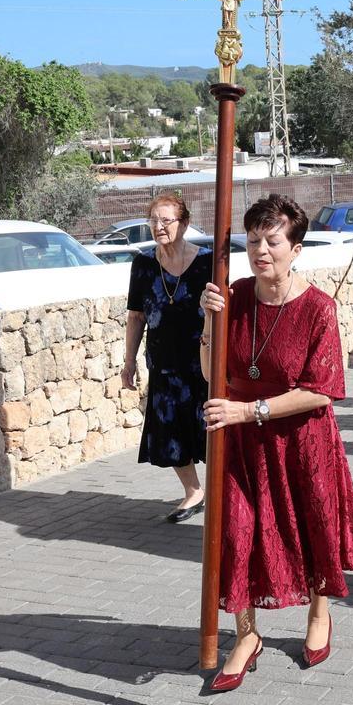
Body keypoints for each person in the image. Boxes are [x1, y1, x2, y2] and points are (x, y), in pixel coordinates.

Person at [198, 194, 353, 691]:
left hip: (302, 441)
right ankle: (246, 635)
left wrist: (249, 410)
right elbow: (212, 373)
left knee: (312, 528)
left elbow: (321, 390)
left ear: (296, 248)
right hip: (243, 447)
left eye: (272, 241)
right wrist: (208, 324)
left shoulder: (318, 308)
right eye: (253, 241)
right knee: (238, 533)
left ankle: (319, 614)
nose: (261, 251)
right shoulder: (234, 295)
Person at [122, 192, 212, 523]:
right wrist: (129, 361)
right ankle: (193, 492)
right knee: (170, 428)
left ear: (184, 223)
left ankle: (222, 492)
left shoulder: (207, 261)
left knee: (210, 427)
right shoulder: (143, 264)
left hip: (203, 362)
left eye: (167, 220)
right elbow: (135, 316)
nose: (159, 226)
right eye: (154, 220)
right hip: (163, 363)